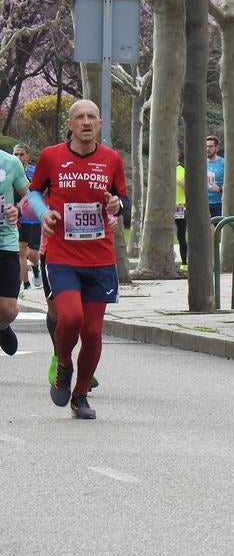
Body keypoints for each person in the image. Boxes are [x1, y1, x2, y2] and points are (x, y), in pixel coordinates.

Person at [26, 100, 127, 420]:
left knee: (94, 332)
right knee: (70, 319)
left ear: (99, 125)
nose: (86, 122)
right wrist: (44, 214)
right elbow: (33, 193)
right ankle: (64, 363)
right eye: (79, 117)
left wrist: (116, 208)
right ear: (70, 125)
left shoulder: (111, 160)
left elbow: (123, 198)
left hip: (100, 257)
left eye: (91, 118)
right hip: (62, 255)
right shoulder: (51, 157)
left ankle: (80, 395)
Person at [0, 145, 31, 356]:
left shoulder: (10, 162)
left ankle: (2, 326)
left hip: (5, 242)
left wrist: (18, 209)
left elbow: (30, 198)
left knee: (8, 310)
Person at [12, 144, 41, 292]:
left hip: (34, 218)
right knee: (21, 252)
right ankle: (25, 284)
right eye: (15, 154)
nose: (18, 157)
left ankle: (36, 268)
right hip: (19, 219)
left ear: (27, 156)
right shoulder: (9, 171)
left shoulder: (34, 171)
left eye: (21, 154)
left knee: (32, 254)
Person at [206, 135, 224, 220]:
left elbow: (232, 186)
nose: (207, 149)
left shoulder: (224, 163)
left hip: (219, 203)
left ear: (217, 148)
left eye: (210, 146)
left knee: (219, 230)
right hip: (204, 203)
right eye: (206, 146)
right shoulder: (200, 164)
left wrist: (220, 189)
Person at [174, 150, 187, 266]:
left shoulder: (182, 169)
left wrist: (178, 182)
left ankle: (184, 263)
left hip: (180, 206)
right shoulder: (162, 168)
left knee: (181, 235)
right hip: (166, 206)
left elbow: (188, 188)